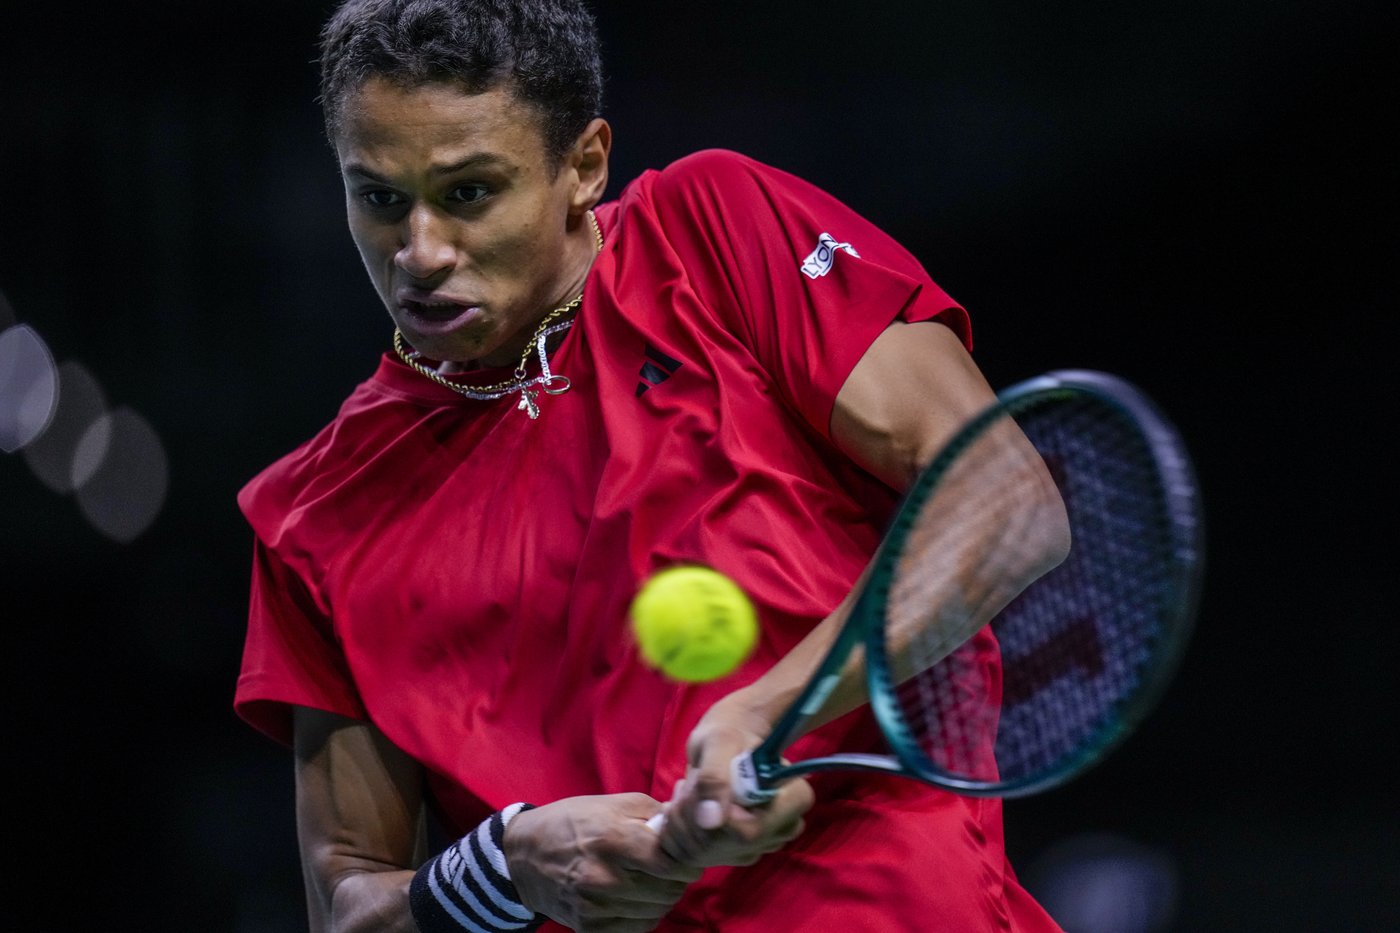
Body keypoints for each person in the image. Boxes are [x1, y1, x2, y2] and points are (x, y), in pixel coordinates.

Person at [232, 1, 1069, 930]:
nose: (420, 253)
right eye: (381, 198)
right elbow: (348, 907)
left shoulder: (714, 237)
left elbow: (1006, 498)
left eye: (469, 192)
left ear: (583, 166)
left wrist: (767, 711)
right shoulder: (316, 514)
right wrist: (505, 864)